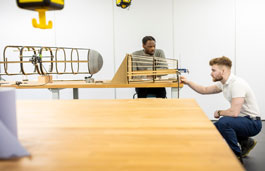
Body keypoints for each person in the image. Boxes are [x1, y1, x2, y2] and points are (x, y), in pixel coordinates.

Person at [180, 56, 262, 163]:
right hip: (242, 120)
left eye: (213, 70)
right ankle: (246, 142)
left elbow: (234, 112)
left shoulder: (237, 84)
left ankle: (236, 155)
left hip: (253, 123)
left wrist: (219, 112)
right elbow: (204, 90)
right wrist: (188, 82)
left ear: (222, 71)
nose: (211, 73)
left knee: (224, 122)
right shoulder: (223, 83)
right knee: (216, 127)